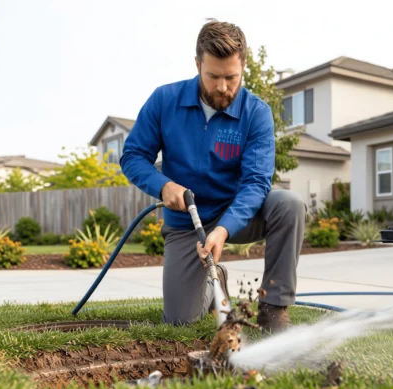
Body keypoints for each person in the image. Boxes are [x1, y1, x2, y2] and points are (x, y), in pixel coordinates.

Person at [120, 20, 306, 333]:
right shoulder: (164, 101)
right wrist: (162, 185)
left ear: (243, 67)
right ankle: (214, 279)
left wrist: (223, 229)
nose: (222, 87)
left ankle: (274, 308)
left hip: (236, 215)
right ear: (197, 65)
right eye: (213, 76)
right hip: (185, 223)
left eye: (231, 77)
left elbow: (257, 182)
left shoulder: (255, 112)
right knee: (180, 321)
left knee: (289, 204)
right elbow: (132, 156)